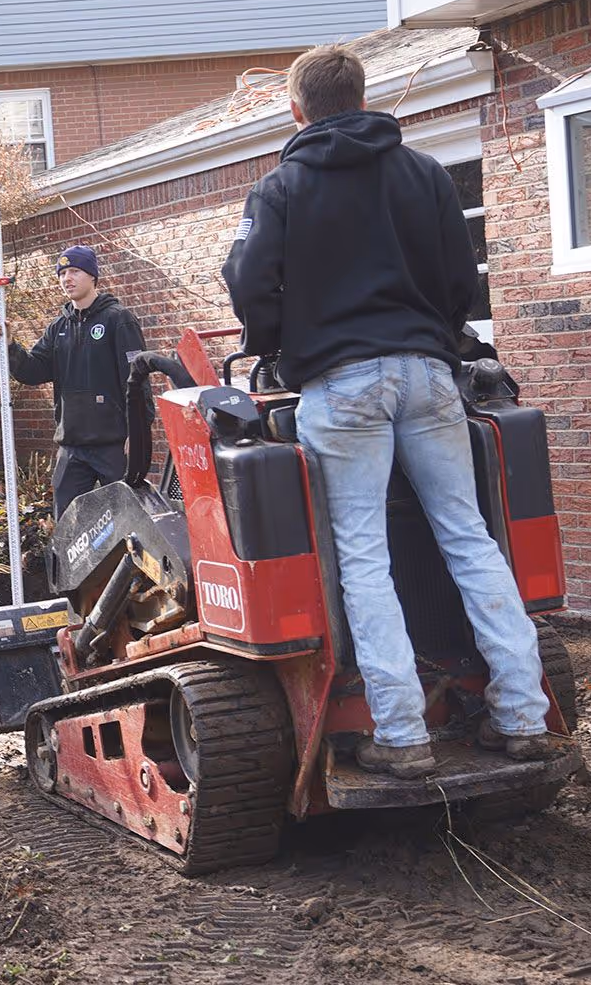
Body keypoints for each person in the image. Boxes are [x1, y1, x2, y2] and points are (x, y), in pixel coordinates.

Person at [220, 43, 554, 779]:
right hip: (430, 374)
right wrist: (429, 333)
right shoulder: (424, 172)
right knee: (469, 538)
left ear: (296, 108)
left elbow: (248, 283)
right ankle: (525, 716)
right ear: (364, 98)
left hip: (341, 386)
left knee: (362, 556)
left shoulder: (282, 188)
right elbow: (462, 282)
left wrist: (281, 340)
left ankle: (402, 735)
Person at [0, 245, 146, 521]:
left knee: (127, 522)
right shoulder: (58, 327)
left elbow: (136, 380)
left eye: (74, 271)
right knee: (67, 524)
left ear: (92, 276)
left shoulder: (118, 320)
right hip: (72, 446)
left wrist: (137, 432)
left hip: (112, 444)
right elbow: (33, 371)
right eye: (62, 273)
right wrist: (9, 344)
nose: (67, 278)